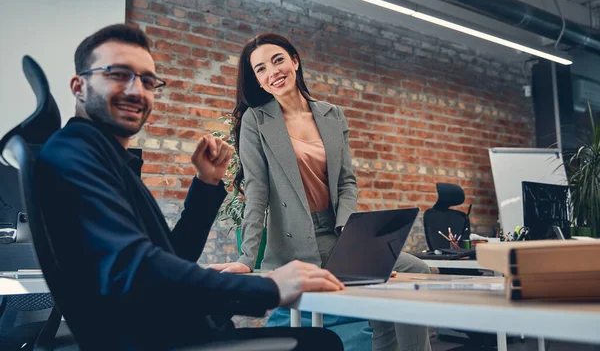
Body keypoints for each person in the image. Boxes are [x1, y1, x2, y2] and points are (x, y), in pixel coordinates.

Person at [35, 24, 345, 351]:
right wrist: (268, 287)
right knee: (320, 343)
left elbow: (170, 255)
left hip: (168, 333)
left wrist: (207, 182)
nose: (136, 90)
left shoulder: (105, 157)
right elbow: (137, 269)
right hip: (152, 342)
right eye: (117, 74)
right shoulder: (74, 153)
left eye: (147, 80)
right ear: (78, 86)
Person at [209, 33, 431, 351]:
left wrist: (353, 240)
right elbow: (256, 190)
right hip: (294, 242)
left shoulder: (331, 114)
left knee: (415, 270)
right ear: (257, 81)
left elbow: (346, 183)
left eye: (277, 60)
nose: (272, 72)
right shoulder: (255, 121)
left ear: (295, 61)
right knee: (385, 281)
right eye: (260, 69)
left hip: (336, 235)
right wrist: (247, 258)